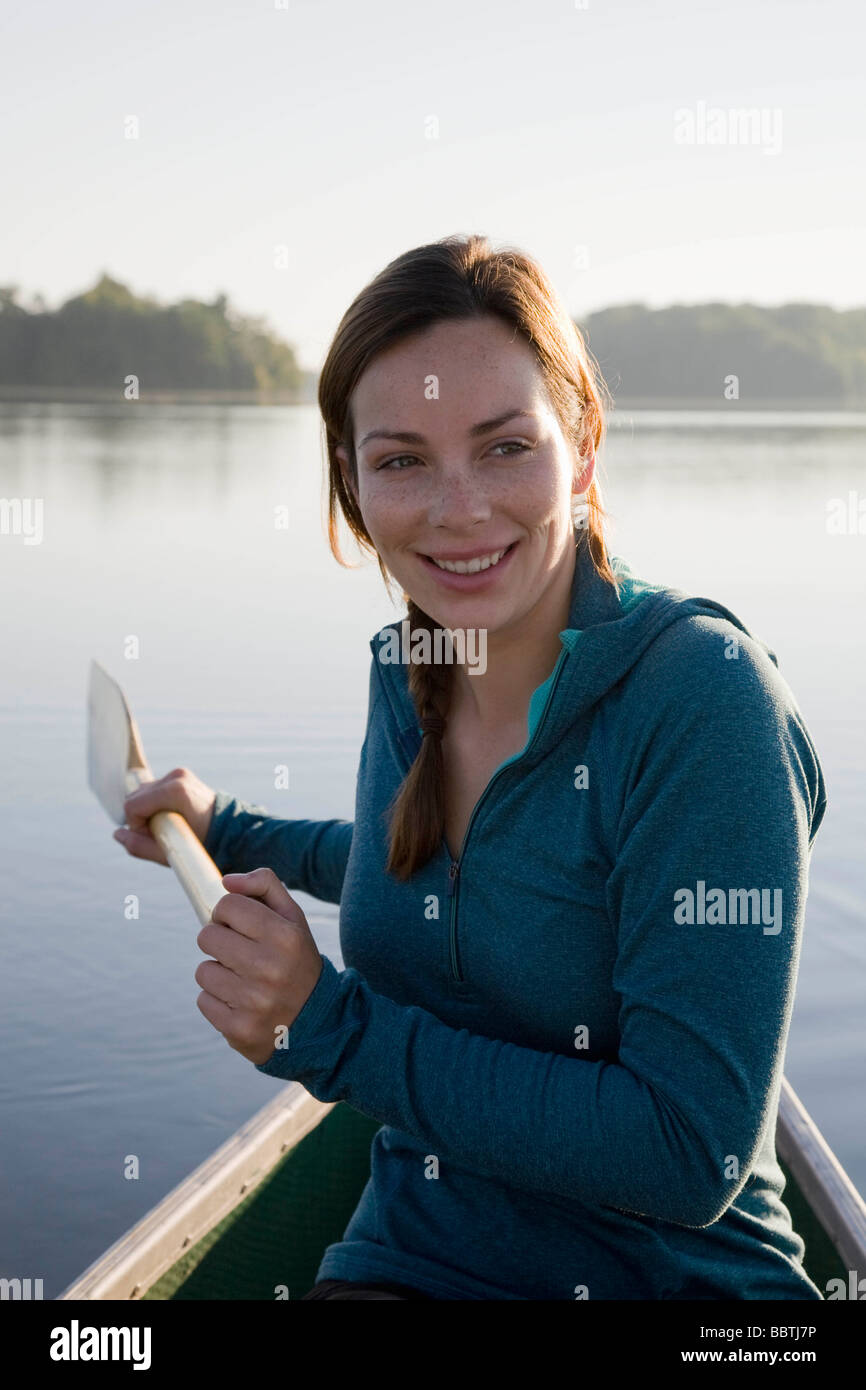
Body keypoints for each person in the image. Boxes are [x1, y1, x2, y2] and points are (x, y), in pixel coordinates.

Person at [115, 234, 827, 1300]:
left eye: (503, 447)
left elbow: (688, 1153)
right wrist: (233, 829)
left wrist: (329, 1027)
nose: (458, 509)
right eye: (402, 459)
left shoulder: (698, 697)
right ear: (351, 484)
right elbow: (460, 870)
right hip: (415, 1252)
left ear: (581, 445)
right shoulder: (412, 666)